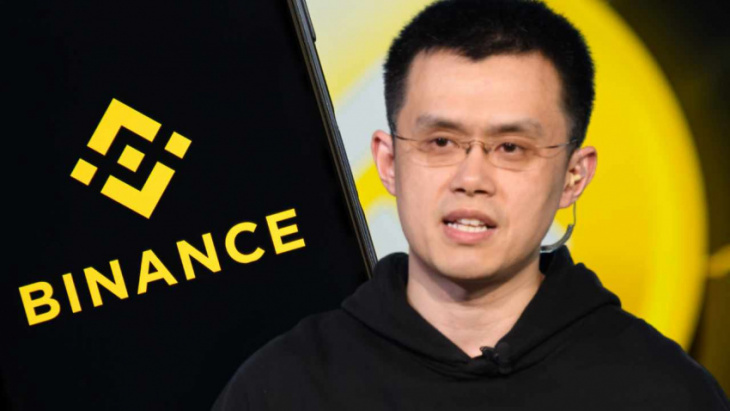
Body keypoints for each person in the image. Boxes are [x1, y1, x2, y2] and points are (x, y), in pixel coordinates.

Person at [212, 0, 730, 409]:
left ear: (573, 176)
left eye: (512, 148)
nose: (471, 179)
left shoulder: (663, 392)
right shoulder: (285, 387)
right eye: (440, 142)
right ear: (388, 162)